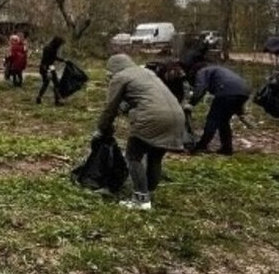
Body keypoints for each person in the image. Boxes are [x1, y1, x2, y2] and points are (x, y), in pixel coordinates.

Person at [96, 54, 187, 210]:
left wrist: (102, 129)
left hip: (152, 118)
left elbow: (109, 108)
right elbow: (141, 96)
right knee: (155, 157)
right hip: (177, 116)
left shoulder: (120, 77)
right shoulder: (147, 73)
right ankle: (148, 194)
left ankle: (141, 199)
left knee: (133, 156)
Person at [187, 64, 251, 155]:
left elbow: (200, 88)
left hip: (226, 92)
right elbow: (236, 91)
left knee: (212, 120)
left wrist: (191, 103)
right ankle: (227, 148)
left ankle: (201, 146)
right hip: (244, 91)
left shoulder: (202, 72)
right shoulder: (217, 70)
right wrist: (240, 112)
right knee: (223, 122)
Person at [35, 35, 65, 105]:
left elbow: (53, 57)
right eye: (60, 44)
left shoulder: (53, 48)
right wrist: (47, 72)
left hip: (50, 67)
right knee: (47, 83)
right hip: (45, 67)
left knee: (55, 83)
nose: (60, 46)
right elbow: (45, 61)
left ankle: (57, 100)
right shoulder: (48, 49)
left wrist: (62, 60)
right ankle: (39, 98)